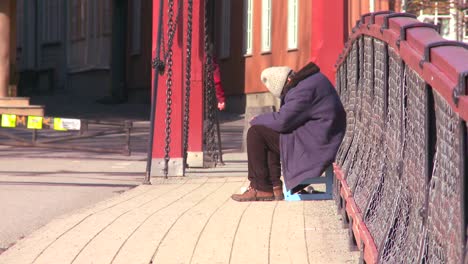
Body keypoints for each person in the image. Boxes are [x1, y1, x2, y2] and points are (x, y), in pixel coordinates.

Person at [231, 62, 346, 202]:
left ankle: (261, 188)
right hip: (321, 137)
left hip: (317, 144)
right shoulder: (311, 81)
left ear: (285, 83)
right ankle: (273, 187)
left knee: (256, 133)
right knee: (265, 131)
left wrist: (258, 119)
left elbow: (283, 121)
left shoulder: (303, 89)